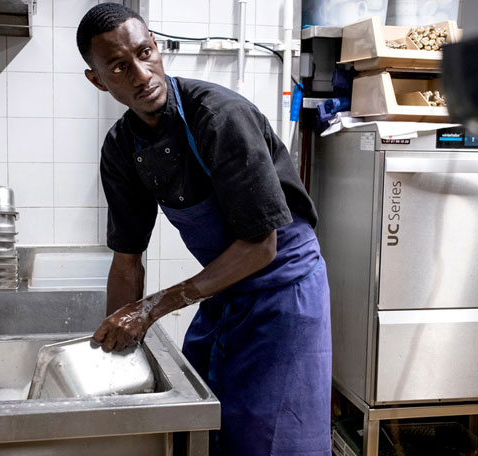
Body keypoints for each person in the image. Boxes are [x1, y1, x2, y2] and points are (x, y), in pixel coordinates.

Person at [77, 4, 331, 455]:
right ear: (97, 80)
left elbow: (260, 246)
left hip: (284, 290)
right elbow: (127, 259)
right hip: (225, 292)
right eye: (119, 67)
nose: (141, 74)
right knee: (206, 419)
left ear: (156, 46)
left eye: (145, 53)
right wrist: (117, 350)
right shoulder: (121, 149)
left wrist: (152, 308)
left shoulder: (218, 116)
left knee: (272, 436)